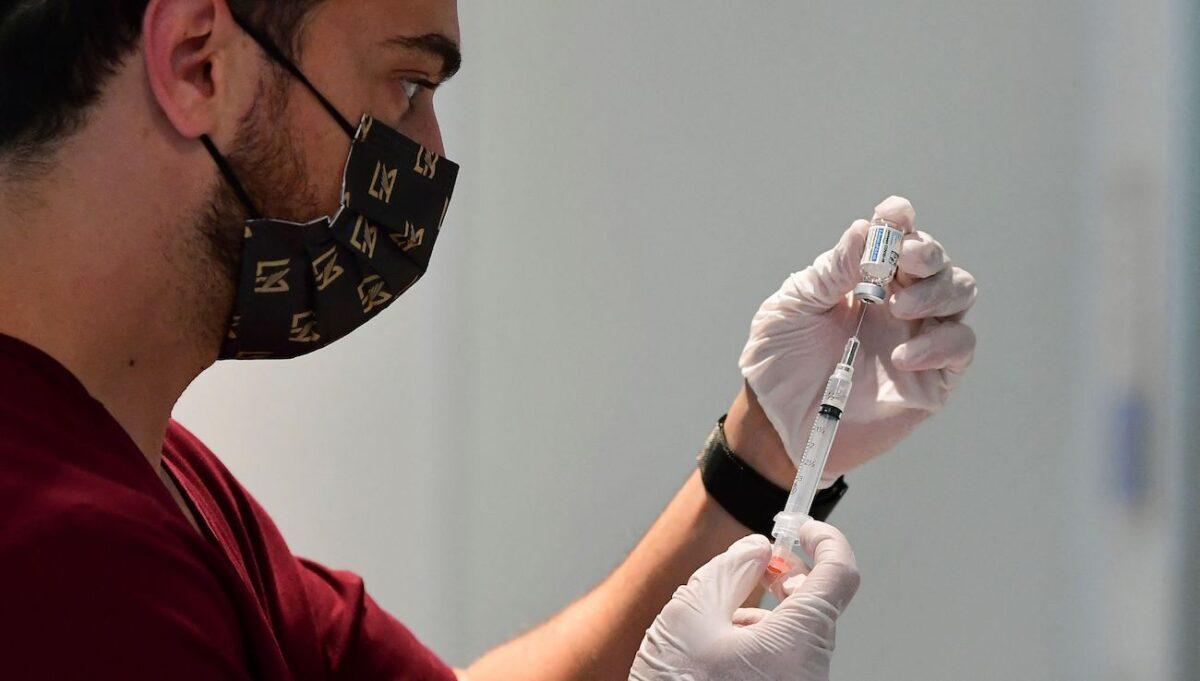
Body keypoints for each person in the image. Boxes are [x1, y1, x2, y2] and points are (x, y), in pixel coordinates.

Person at [0, 1, 977, 679]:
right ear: (198, 60)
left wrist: (762, 452)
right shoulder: (62, 561)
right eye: (408, 81)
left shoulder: (164, 478)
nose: (425, 150)